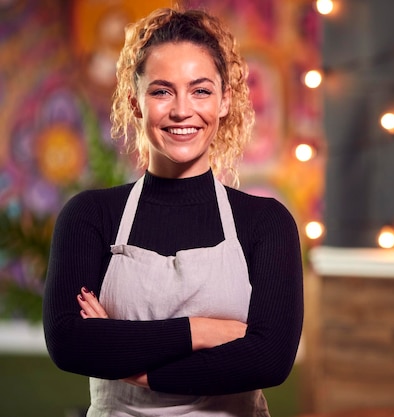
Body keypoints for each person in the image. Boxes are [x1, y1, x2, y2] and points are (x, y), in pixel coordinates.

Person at [43, 6, 304, 416]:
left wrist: (137, 367)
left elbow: (269, 359)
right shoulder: (90, 216)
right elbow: (70, 343)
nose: (182, 110)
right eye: (162, 91)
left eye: (200, 90)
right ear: (135, 103)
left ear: (224, 102)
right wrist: (204, 332)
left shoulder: (265, 223)